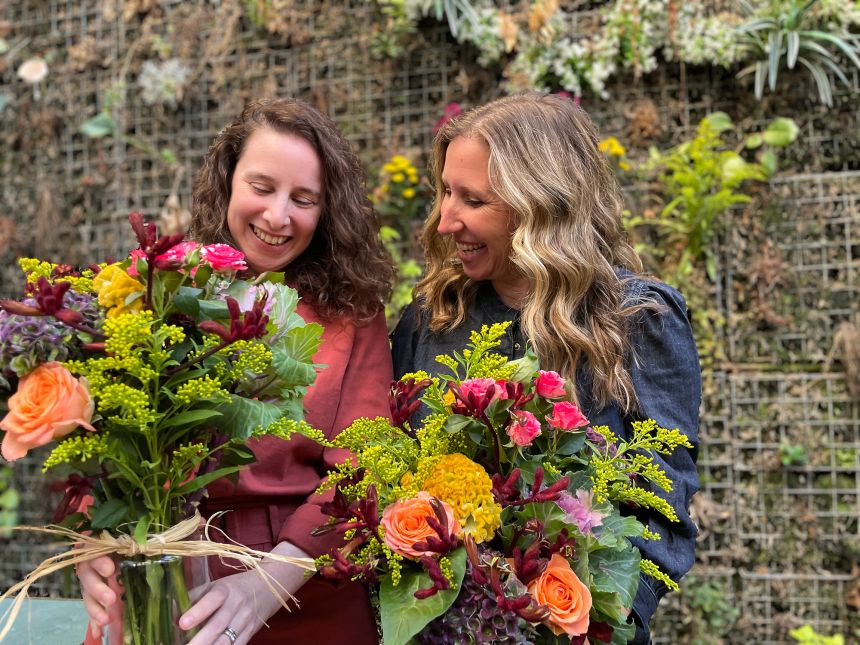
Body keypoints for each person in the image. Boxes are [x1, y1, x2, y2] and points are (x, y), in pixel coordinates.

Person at [78, 98, 395, 644]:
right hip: (165, 580)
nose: (277, 216)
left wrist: (269, 583)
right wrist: (94, 544)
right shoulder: (162, 287)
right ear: (227, 182)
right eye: (261, 187)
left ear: (328, 210)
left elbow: (366, 469)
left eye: (304, 198)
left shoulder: (352, 313)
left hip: (307, 585)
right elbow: (102, 439)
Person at [390, 92, 701, 644]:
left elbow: (661, 507)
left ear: (540, 206)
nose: (445, 220)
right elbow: (391, 468)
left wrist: (598, 619)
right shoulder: (432, 317)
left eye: (473, 200)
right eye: (444, 192)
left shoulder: (638, 320)